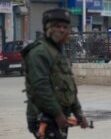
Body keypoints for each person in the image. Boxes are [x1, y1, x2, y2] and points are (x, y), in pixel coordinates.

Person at [21, 8, 88, 139]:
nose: (62, 30)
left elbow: (69, 86)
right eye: (57, 26)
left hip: (60, 116)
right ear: (47, 28)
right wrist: (57, 114)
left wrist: (78, 113)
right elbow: (41, 88)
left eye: (65, 27)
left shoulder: (58, 52)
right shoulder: (39, 52)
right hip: (44, 117)